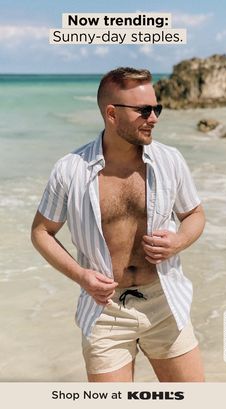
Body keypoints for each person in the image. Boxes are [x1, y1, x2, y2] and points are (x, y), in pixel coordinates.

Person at [31, 67, 205, 382]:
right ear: (112, 114)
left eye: (157, 108)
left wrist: (179, 241)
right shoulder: (71, 170)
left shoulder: (170, 160)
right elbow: (42, 232)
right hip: (105, 312)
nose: (154, 118)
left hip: (165, 302)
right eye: (144, 110)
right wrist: (82, 276)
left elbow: (194, 214)